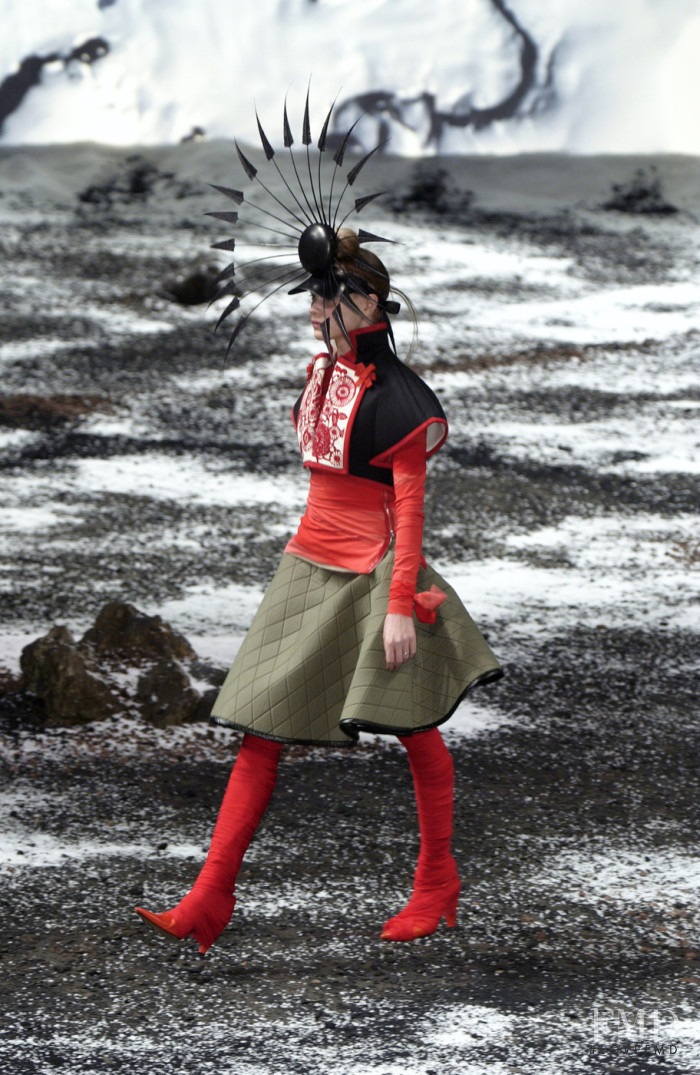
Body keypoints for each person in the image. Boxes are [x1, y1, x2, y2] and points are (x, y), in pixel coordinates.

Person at [135, 227, 502, 953]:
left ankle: (437, 880)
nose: (315, 308)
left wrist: (400, 602)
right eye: (313, 294)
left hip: (373, 573)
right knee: (260, 724)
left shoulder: (398, 396)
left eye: (329, 295)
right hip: (307, 564)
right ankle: (208, 898)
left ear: (367, 300)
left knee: (414, 720)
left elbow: (411, 505)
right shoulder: (322, 375)